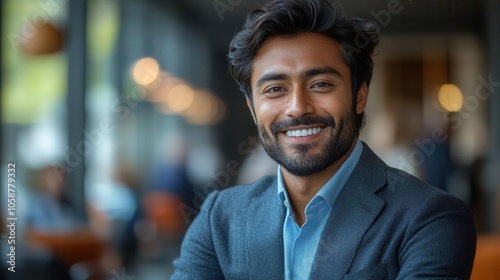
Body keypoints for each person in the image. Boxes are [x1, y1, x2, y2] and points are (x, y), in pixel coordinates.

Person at [172, 0, 476, 279]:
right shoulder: (219, 219)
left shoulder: (430, 217)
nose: (298, 107)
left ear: (359, 96)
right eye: (275, 89)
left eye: (320, 84)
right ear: (253, 109)